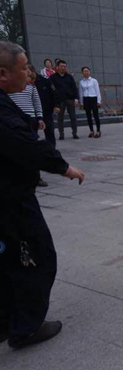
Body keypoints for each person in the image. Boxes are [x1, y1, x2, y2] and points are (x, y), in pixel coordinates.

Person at [0, 41, 85, 350]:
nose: (30, 74)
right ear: (3, 73)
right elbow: (25, 145)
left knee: (7, 258)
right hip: (11, 201)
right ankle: (26, 328)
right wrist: (63, 167)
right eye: (24, 68)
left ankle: (6, 320)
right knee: (38, 257)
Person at [9, 65, 49, 187]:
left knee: (32, 147)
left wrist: (40, 118)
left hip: (31, 119)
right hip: (14, 119)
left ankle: (36, 177)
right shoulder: (10, 88)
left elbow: (37, 103)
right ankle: (17, 175)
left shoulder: (32, 87)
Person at [50, 60, 79, 140]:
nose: (63, 68)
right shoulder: (53, 77)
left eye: (64, 66)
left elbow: (74, 88)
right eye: (61, 66)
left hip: (70, 99)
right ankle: (61, 134)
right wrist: (54, 103)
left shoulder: (69, 77)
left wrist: (76, 98)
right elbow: (52, 90)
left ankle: (75, 133)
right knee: (60, 118)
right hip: (59, 101)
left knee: (73, 117)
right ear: (57, 67)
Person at [34, 65, 57, 148]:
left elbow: (53, 93)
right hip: (32, 112)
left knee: (49, 131)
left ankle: (51, 148)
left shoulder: (44, 80)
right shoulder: (25, 83)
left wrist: (54, 106)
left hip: (46, 110)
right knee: (33, 132)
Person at [78, 66, 102, 138]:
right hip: (86, 99)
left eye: (87, 71)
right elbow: (81, 92)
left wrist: (99, 100)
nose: (86, 73)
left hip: (93, 98)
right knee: (88, 116)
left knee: (96, 115)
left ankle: (98, 130)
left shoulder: (94, 81)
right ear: (82, 73)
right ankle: (91, 130)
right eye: (84, 71)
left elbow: (97, 91)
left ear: (89, 72)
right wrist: (81, 102)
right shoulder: (81, 82)